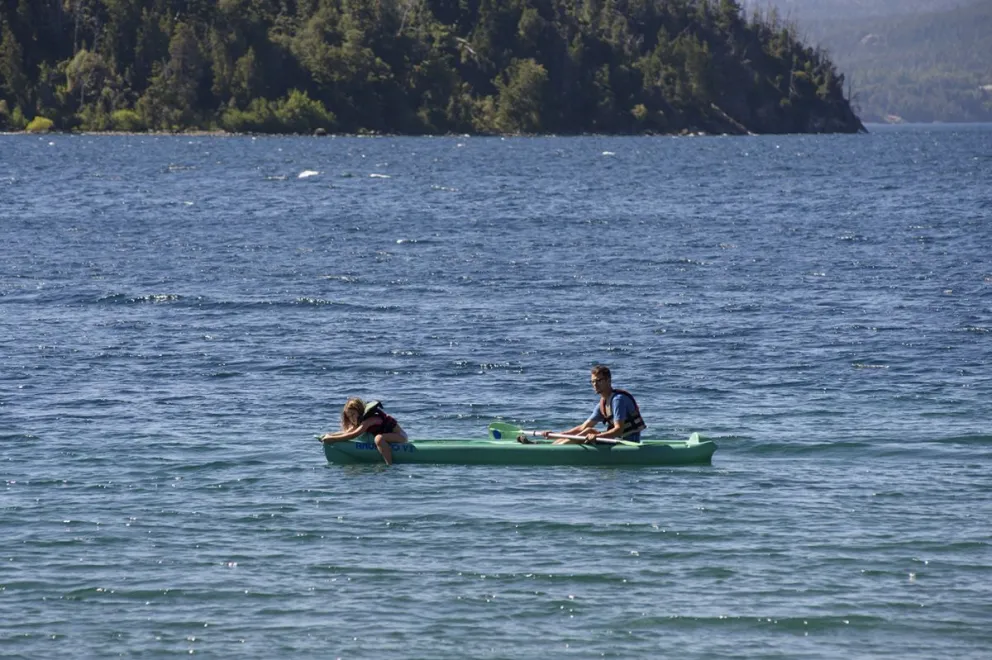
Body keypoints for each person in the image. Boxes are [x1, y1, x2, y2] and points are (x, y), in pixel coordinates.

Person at [546, 365, 646, 444]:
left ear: (608, 381)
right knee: (588, 430)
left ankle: (553, 451)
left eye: (599, 381)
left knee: (590, 432)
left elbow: (618, 430)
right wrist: (559, 434)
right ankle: (554, 447)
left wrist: (596, 436)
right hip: (616, 441)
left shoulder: (618, 400)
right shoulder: (602, 403)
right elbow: (583, 427)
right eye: (593, 381)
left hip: (628, 443)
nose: (595, 384)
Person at [320, 398, 409, 465]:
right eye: (349, 416)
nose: (352, 418)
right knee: (377, 438)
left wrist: (333, 439)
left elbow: (353, 435)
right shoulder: (361, 421)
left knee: (378, 438)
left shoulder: (369, 420)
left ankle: (389, 465)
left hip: (400, 436)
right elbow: (347, 432)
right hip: (389, 437)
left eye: (353, 414)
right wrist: (328, 435)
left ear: (359, 411)